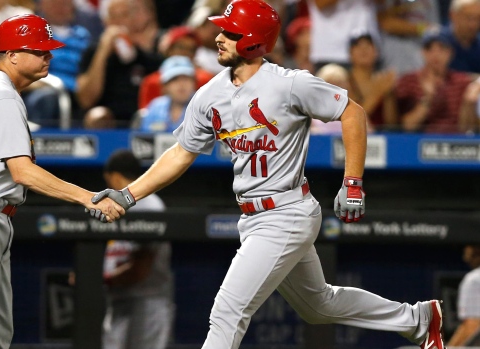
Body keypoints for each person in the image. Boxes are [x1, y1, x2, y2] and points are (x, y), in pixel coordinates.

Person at [87, 1, 446, 349]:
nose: (219, 37)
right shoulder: (209, 95)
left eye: (229, 31)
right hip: (254, 216)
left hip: (286, 211)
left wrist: (352, 183)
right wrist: (128, 194)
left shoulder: (290, 84)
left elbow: (352, 114)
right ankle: (417, 320)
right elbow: (181, 153)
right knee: (319, 306)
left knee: (227, 313)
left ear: (253, 39)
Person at [0, 14, 124, 349]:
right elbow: (23, 172)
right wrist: (87, 197)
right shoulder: (1, 94)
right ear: (11, 55)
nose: (48, 56)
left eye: (48, 50)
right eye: (39, 51)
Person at [101, 149, 174, 349]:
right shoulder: (118, 205)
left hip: (148, 301)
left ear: (115, 177)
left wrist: (96, 280)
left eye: (108, 181)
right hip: (120, 300)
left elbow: (141, 267)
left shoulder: (149, 205)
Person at [75, 0, 163, 128]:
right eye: (113, 17)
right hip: (104, 122)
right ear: (105, 22)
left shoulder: (148, 58)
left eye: (124, 15)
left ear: (134, 20)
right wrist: (103, 51)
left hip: (139, 121)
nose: (118, 22)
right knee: (98, 115)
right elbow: (86, 100)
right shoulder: (92, 52)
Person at [396, 29, 472, 133]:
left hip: (456, 142)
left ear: (450, 52)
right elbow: (406, 126)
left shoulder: (462, 82)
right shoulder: (408, 81)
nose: (435, 54)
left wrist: (469, 102)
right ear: (422, 52)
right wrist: (427, 99)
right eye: (429, 48)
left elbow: (468, 129)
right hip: (417, 143)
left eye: (441, 48)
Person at [347, 32, 398, 131]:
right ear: (350, 53)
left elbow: (392, 124)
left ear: (376, 52)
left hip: (381, 140)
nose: (364, 49)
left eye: (369, 45)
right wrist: (378, 93)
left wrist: (388, 94)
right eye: (358, 46)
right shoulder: (344, 81)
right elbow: (352, 119)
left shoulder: (383, 81)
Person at [136, 56, 196, 132]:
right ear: (165, 86)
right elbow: (145, 136)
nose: (181, 84)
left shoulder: (203, 107)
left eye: (186, 79)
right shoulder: (156, 107)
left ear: (194, 83)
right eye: (174, 79)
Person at [448, 244, 480, 346]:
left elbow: (472, 323)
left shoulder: (473, 280)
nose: (465, 259)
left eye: (469, 255)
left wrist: (452, 347)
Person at [440, 0, 480, 74]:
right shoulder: (438, 43)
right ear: (452, 15)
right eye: (468, 17)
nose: (473, 25)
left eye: (477, 18)